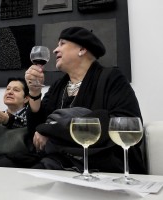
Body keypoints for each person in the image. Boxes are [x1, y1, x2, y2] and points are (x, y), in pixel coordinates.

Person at [24, 26, 146, 174]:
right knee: (7, 162)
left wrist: (52, 131)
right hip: (57, 158)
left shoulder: (111, 78)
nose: (55, 50)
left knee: (41, 169)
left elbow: (127, 124)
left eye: (62, 43)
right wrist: (34, 93)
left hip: (104, 164)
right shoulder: (58, 86)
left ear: (81, 49)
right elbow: (36, 132)